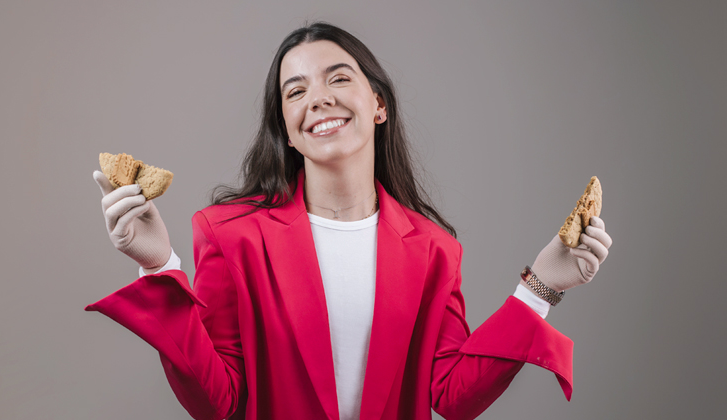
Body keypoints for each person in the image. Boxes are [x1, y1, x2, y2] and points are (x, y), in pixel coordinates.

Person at [86, 22, 612, 420]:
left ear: (378, 104)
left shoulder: (433, 250)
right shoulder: (229, 236)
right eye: (295, 91)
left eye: (338, 78)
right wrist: (157, 266)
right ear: (288, 131)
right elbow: (217, 402)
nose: (318, 98)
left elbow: (453, 396)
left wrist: (541, 286)